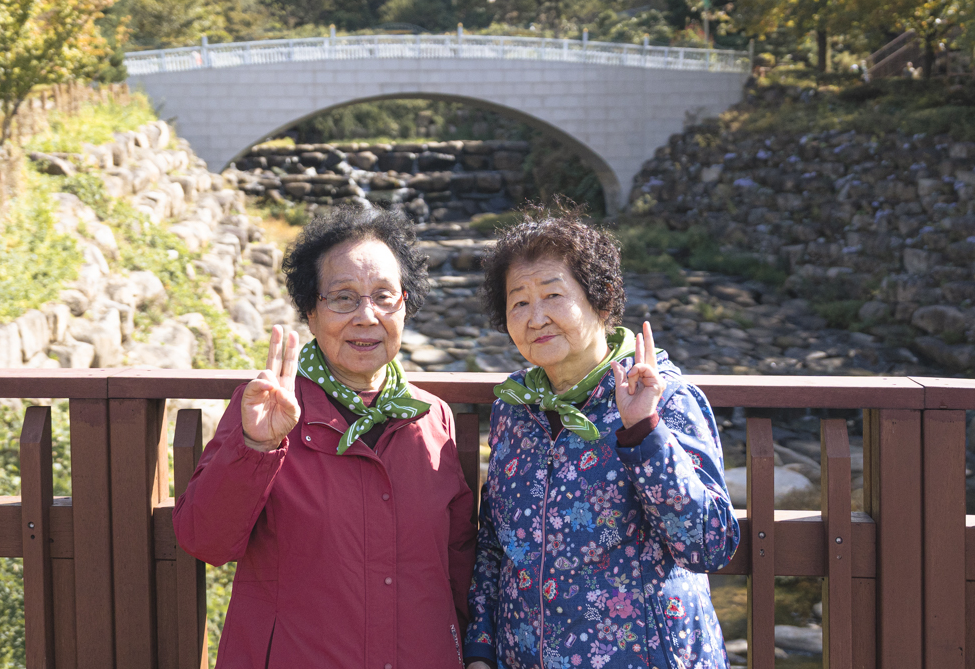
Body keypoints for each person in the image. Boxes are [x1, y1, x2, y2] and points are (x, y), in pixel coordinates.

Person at [173, 206, 476, 669]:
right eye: (343, 298)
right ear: (310, 314)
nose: (366, 316)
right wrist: (257, 447)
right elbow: (205, 540)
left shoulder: (432, 418)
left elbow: (458, 564)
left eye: (384, 296)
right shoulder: (268, 409)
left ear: (405, 306)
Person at [464, 208, 739, 669]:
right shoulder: (515, 407)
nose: (536, 318)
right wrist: (480, 648)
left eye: (553, 295)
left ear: (603, 300)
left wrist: (644, 432)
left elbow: (708, 545)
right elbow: (496, 542)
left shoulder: (662, 397)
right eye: (519, 302)